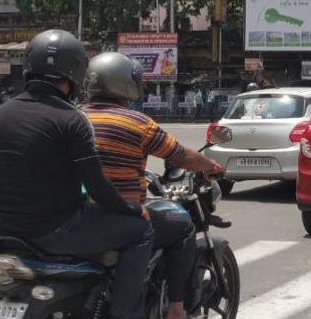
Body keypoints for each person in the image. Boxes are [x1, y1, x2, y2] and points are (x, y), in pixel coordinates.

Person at [0, 30, 153, 319]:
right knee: (140, 232)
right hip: (55, 232)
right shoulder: (71, 119)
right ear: (74, 72)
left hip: (6, 235)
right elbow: (96, 184)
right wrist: (132, 208)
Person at [82, 52, 224, 319]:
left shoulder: (74, 117)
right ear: (125, 84)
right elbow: (180, 155)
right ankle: (177, 308)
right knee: (182, 225)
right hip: (122, 215)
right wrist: (210, 166)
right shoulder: (136, 122)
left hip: (80, 216)